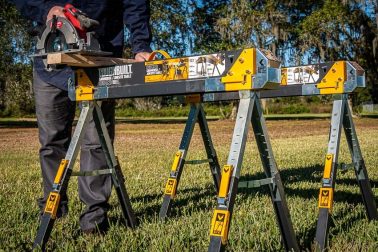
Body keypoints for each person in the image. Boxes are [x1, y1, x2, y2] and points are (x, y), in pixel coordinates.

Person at [12, 0, 152, 234]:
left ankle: (94, 219)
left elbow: (135, 4)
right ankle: (53, 207)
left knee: (97, 141)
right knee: (51, 141)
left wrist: (141, 45)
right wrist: (47, 10)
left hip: (101, 58)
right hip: (51, 57)